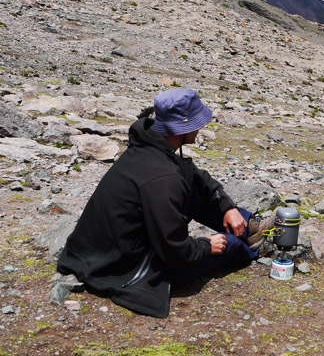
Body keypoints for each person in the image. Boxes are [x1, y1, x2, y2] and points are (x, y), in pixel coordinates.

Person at [57, 88, 275, 318]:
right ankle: (253, 247)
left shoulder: (150, 145)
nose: (201, 128)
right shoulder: (164, 178)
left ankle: (249, 225)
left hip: (103, 249)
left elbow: (195, 176)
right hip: (120, 266)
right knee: (229, 245)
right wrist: (205, 245)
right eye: (197, 122)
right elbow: (174, 251)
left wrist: (228, 208)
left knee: (200, 195)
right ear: (184, 127)